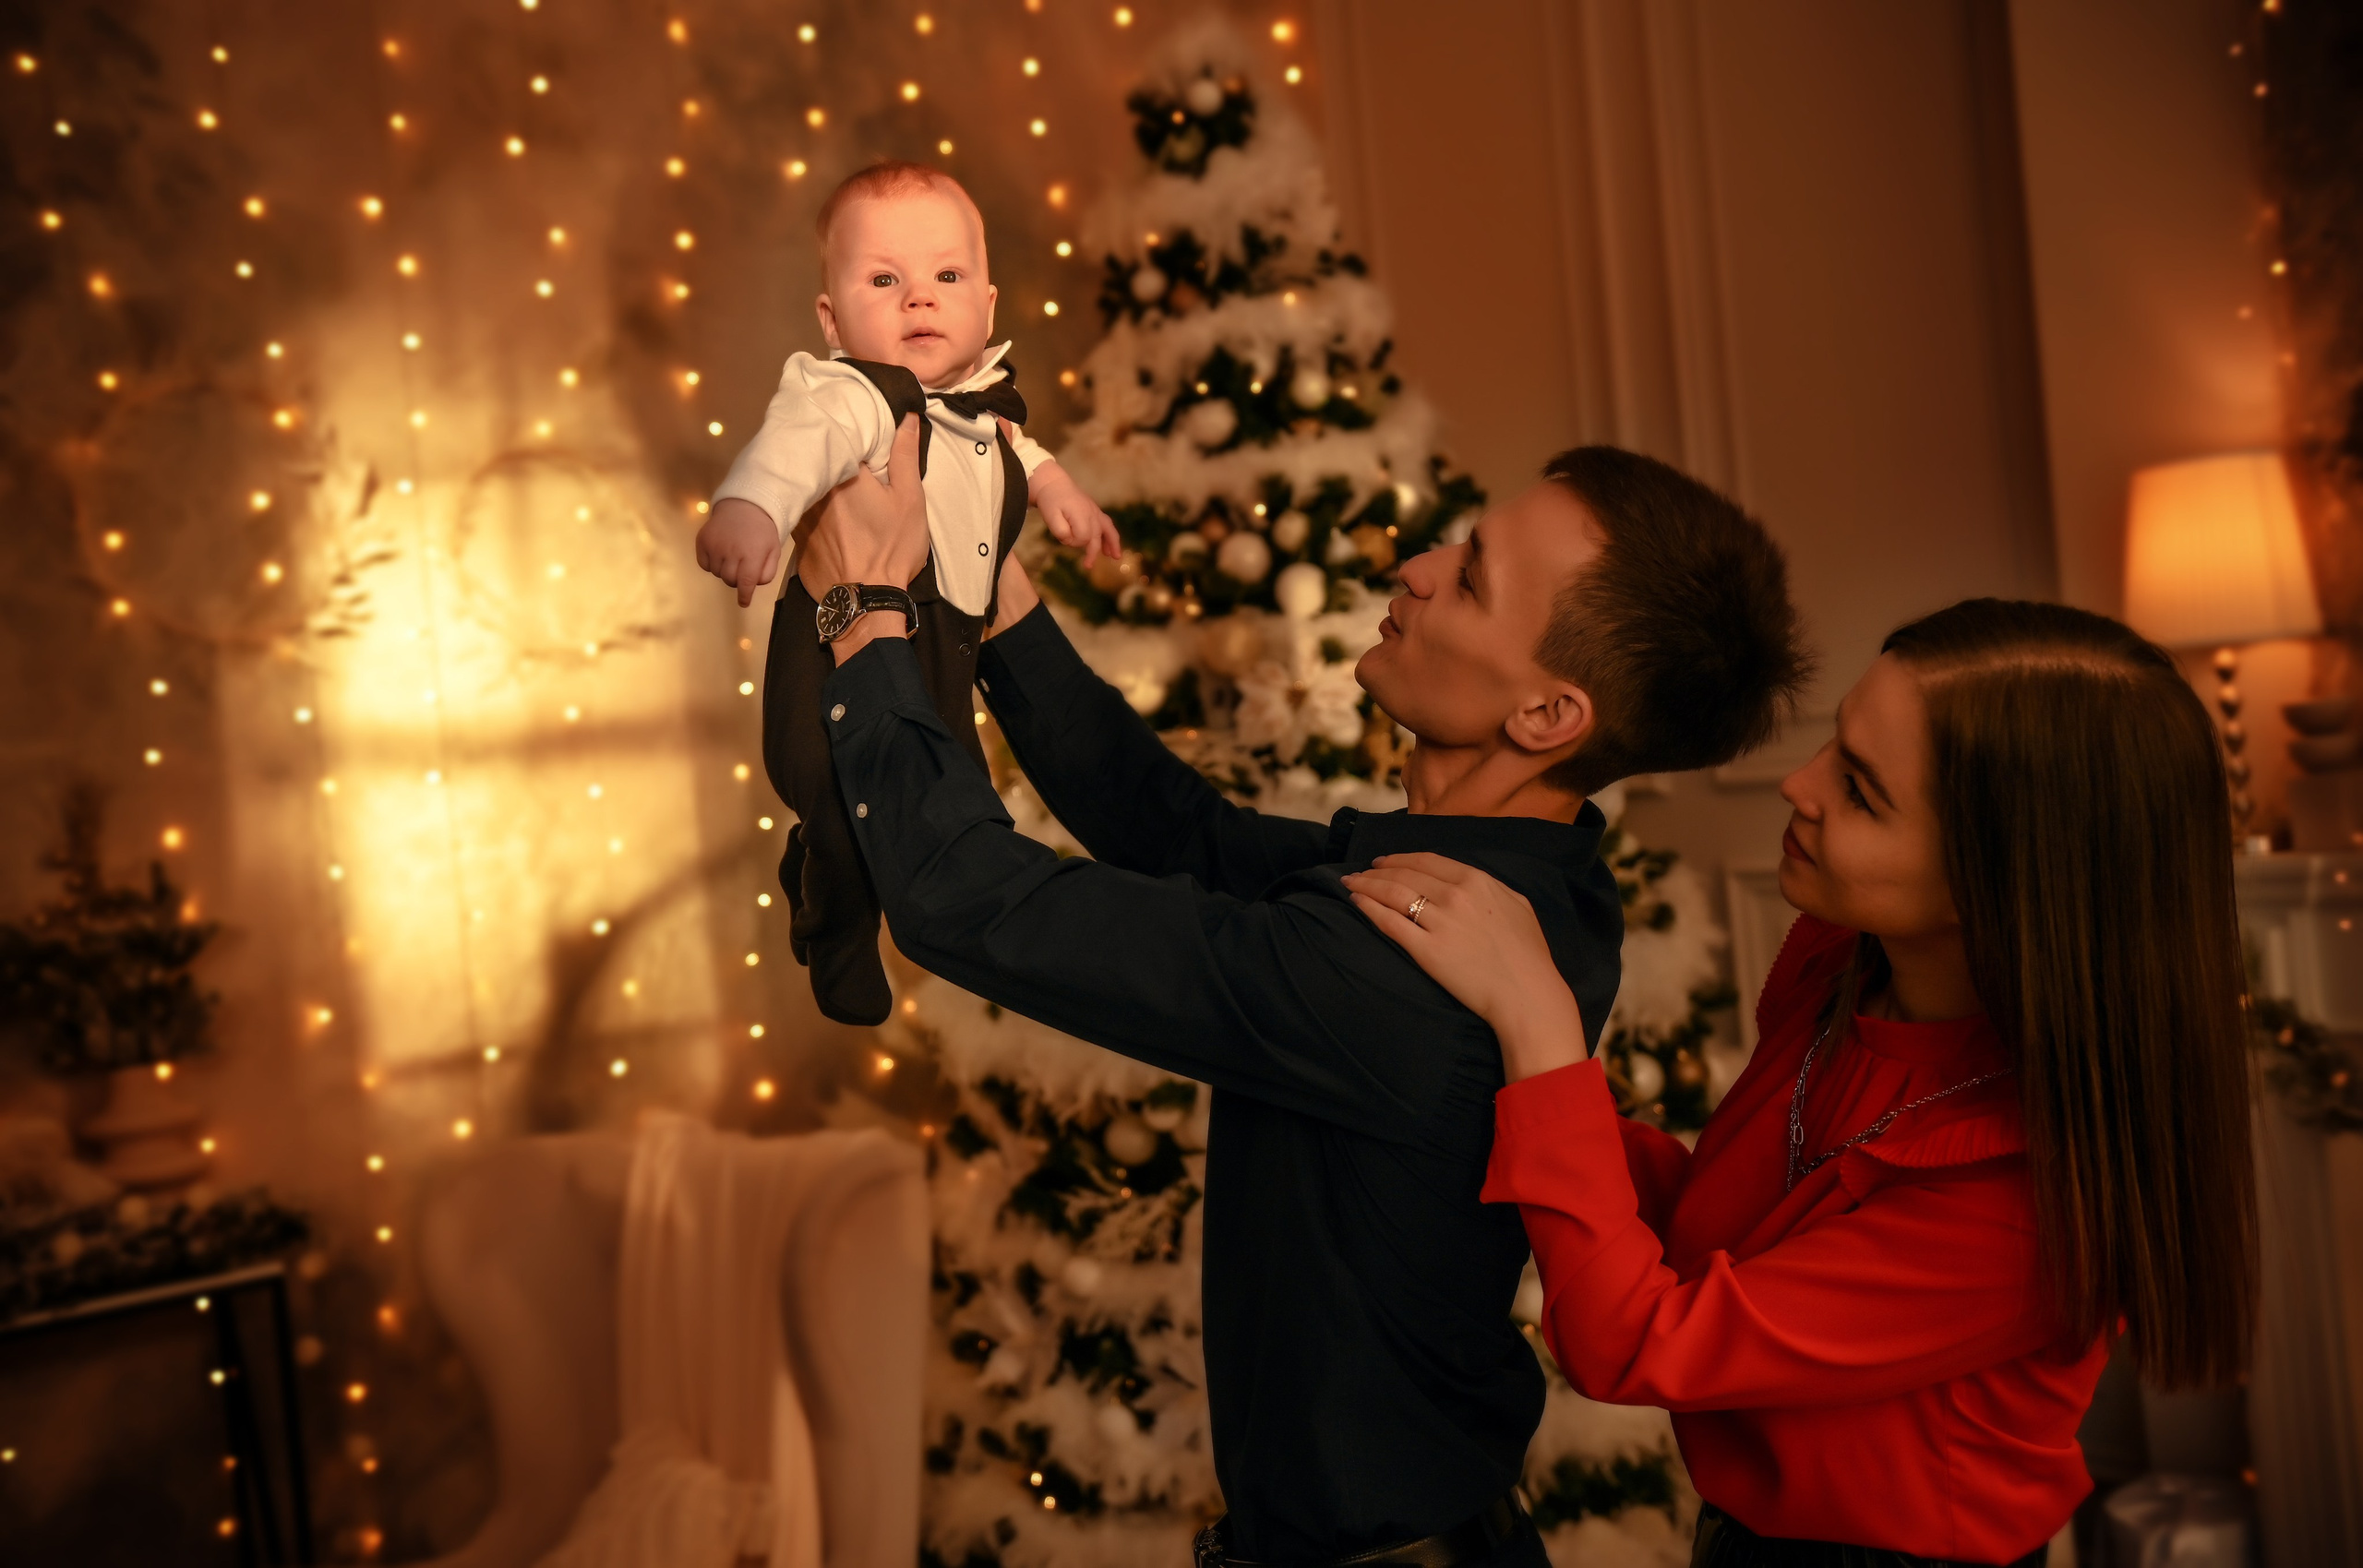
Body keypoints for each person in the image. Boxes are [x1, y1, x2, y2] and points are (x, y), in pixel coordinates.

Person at [798, 419, 1808, 1565]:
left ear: (1544, 717)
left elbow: (966, 897)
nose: (1412, 569)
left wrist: (861, 612)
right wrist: (989, 588)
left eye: (1467, 580)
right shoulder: (1519, 879)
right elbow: (1184, 836)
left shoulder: (1404, 966)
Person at [1343, 599, 2258, 1567]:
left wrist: (1538, 1029)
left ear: (2000, 883)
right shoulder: (1847, 969)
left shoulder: (2019, 1206)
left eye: (1861, 792)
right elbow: (1717, 1228)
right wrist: (1499, 1070)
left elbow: (1633, 1341)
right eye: (1833, 744)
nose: (1796, 783)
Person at [691, 161, 1120, 1025]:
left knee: (953, 796)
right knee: (844, 798)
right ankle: (834, 916)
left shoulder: (985, 408)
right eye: (885, 279)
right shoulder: (850, 396)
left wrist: (1064, 496)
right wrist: (750, 507)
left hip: (950, 646)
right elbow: (792, 450)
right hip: (837, 654)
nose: (919, 298)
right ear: (833, 317)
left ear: (988, 306)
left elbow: (1021, 460)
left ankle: (861, 879)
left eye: (946, 276)